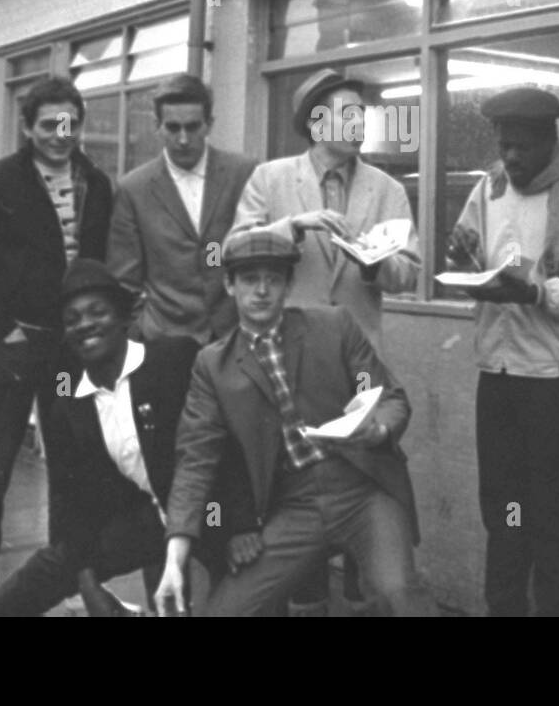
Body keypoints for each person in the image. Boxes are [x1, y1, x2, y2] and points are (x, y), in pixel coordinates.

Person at [153, 226, 435, 617]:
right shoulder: (213, 366)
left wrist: (379, 429)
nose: (262, 290)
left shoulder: (334, 326)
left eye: (274, 279)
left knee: (399, 592)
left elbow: (388, 395)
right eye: (250, 279)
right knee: (225, 611)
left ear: (288, 285)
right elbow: (195, 460)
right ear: (230, 285)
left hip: (361, 486)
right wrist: (174, 555)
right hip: (292, 505)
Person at [232, 67, 419, 614]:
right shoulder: (271, 180)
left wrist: (375, 261)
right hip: (289, 364)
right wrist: (293, 226)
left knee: (369, 479)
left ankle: (367, 597)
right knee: (299, 492)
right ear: (315, 122)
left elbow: (408, 274)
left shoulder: (387, 189)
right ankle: (309, 601)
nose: (358, 123)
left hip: (361, 366)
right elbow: (232, 249)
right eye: (346, 113)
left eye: (362, 114)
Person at [0, 260, 247, 616]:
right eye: (72, 319)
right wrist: (88, 585)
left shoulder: (174, 360)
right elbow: (74, 504)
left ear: (122, 317)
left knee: (240, 599)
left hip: (210, 509)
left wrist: (242, 524)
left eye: (97, 312)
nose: (85, 324)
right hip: (151, 517)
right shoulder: (70, 404)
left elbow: (226, 445)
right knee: (56, 564)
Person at [0, 76, 113, 611]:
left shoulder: (97, 185)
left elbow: (98, 264)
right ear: (27, 126)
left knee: (74, 468)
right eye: (49, 125)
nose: (61, 135)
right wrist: (1, 325)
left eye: (71, 124)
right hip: (15, 349)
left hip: (73, 350)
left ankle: (68, 580)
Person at [446, 85, 559, 617]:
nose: (511, 158)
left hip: (551, 378)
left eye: (522, 146)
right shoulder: (490, 189)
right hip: (496, 372)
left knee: (548, 513)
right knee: (503, 510)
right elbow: (469, 247)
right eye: (504, 146)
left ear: (550, 140)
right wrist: (462, 254)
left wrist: (536, 292)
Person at [106, 73, 256, 345]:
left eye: (193, 127)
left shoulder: (243, 173)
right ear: (157, 127)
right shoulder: (133, 188)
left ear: (209, 125)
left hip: (237, 333)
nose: (183, 139)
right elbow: (124, 278)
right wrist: (143, 328)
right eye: (173, 128)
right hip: (166, 338)